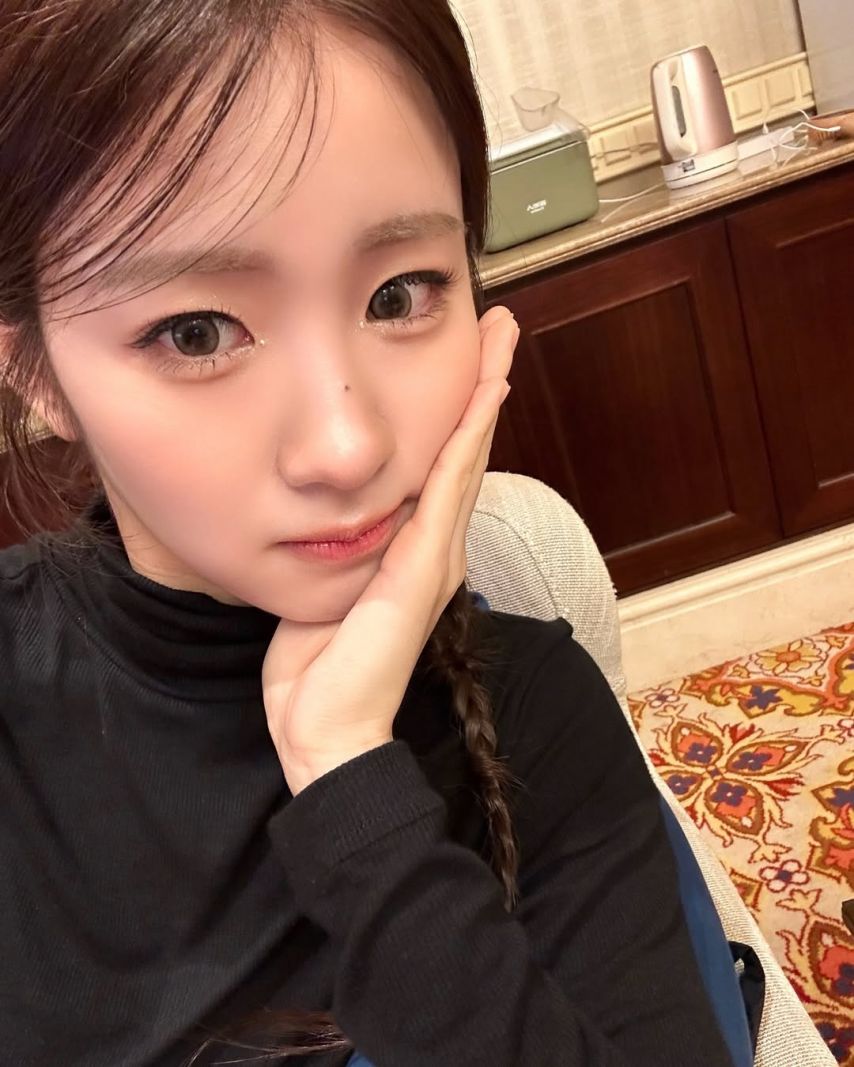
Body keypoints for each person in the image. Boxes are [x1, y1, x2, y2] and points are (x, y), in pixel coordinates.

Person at [0, 2, 742, 1065]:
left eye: (400, 294)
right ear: (36, 373)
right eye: (196, 332)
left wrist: (350, 777)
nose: (346, 448)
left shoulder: (535, 711)